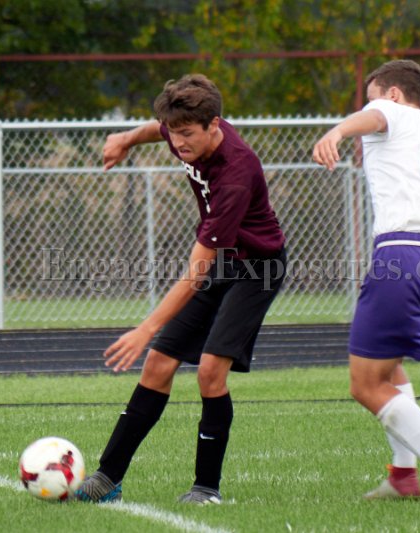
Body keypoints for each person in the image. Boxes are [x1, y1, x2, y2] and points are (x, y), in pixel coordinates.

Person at [75, 74, 287, 505]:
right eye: (174, 132)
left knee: (210, 371)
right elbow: (158, 130)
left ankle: (206, 488)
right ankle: (107, 479)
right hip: (223, 259)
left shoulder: (236, 172)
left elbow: (194, 273)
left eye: (187, 133)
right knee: (157, 364)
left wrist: (146, 327)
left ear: (215, 125)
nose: (178, 141)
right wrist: (125, 139)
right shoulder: (184, 132)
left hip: (257, 269)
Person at [312, 59, 420, 502]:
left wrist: (337, 132)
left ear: (392, 94)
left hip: (401, 257)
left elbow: (375, 117)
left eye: (372, 99)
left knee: (365, 384)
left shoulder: (393, 112)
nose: (369, 109)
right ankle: (403, 477)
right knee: (388, 367)